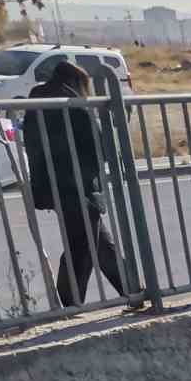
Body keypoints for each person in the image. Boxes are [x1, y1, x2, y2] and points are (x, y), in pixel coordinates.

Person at [22, 60, 124, 307]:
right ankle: (68, 304)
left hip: (52, 186)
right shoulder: (76, 107)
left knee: (99, 243)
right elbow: (100, 148)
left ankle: (131, 288)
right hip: (79, 187)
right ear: (77, 82)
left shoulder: (36, 103)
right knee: (82, 246)